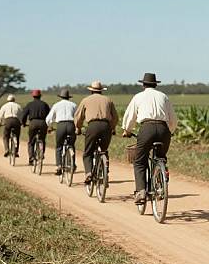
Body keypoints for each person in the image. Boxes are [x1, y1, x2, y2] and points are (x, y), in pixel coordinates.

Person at [122, 73, 178, 204]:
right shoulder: (163, 96)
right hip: (164, 129)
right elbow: (173, 119)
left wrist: (127, 130)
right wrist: (170, 131)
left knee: (139, 161)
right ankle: (161, 181)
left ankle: (141, 191)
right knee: (161, 157)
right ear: (155, 84)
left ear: (143, 84)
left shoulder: (138, 97)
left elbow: (130, 116)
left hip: (147, 129)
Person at [74, 81, 118, 184]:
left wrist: (78, 128)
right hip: (106, 126)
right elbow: (115, 117)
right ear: (101, 91)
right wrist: (112, 128)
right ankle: (104, 171)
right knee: (104, 150)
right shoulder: (108, 100)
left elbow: (78, 117)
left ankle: (88, 173)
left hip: (92, 126)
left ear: (91, 91)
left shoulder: (86, 100)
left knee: (88, 152)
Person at [46, 88, 77, 175]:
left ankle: (59, 166)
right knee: (71, 145)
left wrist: (50, 126)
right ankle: (73, 164)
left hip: (61, 126)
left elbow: (48, 119)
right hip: (71, 125)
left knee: (59, 146)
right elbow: (77, 117)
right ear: (68, 97)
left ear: (61, 97)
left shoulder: (56, 105)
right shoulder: (73, 105)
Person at [21, 89, 51, 165]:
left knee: (31, 142)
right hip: (43, 123)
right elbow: (49, 115)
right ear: (40, 96)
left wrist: (23, 123)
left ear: (33, 96)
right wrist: (49, 125)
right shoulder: (45, 104)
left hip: (33, 123)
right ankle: (41, 154)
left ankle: (31, 157)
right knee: (42, 139)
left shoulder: (29, 104)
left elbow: (24, 115)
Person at [0, 94, 22, 158]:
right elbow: (21, 115)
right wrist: (21, 122)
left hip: (8, 121)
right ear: (14, 100)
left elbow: (0, 114)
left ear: (7, 100)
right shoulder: (18, 106)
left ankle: (7, 149)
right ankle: (16, 151)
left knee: (6, 136)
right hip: (16, 121)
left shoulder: (4, 106)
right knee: (17, 136)